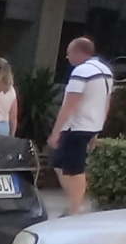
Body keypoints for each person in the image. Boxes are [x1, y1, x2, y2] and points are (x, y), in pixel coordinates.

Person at [49, 36, 114, 212]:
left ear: (79, 52)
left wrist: (56, 132)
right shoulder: (106, 71)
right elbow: (106, 101)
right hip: (91, 125)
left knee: (74, 169)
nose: (67, 57)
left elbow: (70, 104)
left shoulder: (81, 72)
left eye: (69, 53)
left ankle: (75, 208)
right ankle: (73, 204)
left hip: (75, 126)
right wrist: (98, 128)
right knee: (60, 164)